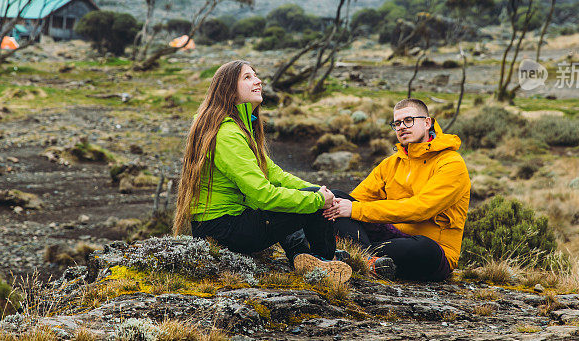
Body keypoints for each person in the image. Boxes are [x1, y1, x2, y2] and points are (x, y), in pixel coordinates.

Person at [172, 60, 351, 284]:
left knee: (311, 197)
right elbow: (262, 194)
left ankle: (304, 256)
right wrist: (316, 200)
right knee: (310, 205)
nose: (258, 81)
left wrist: (319, 191)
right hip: (224, 230)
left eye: (256, 76)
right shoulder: (228, 134)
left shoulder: (238, 126)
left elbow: (274, 173)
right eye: (247, 77)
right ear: (229, 89)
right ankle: (325, 260)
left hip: (223, 225)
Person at [324, 98, 470, 281]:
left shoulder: (451, 163)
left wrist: (355, 210)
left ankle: (351, 255)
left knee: (425, 248)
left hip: (430, 250)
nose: (401, 127)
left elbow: (421, 209)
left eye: (408, 120)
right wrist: (341, 206)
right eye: (397, 123)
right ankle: (367, 260)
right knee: (336, 197)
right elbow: (357, 198)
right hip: (387, 239)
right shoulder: (391, 164)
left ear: (427, 122)